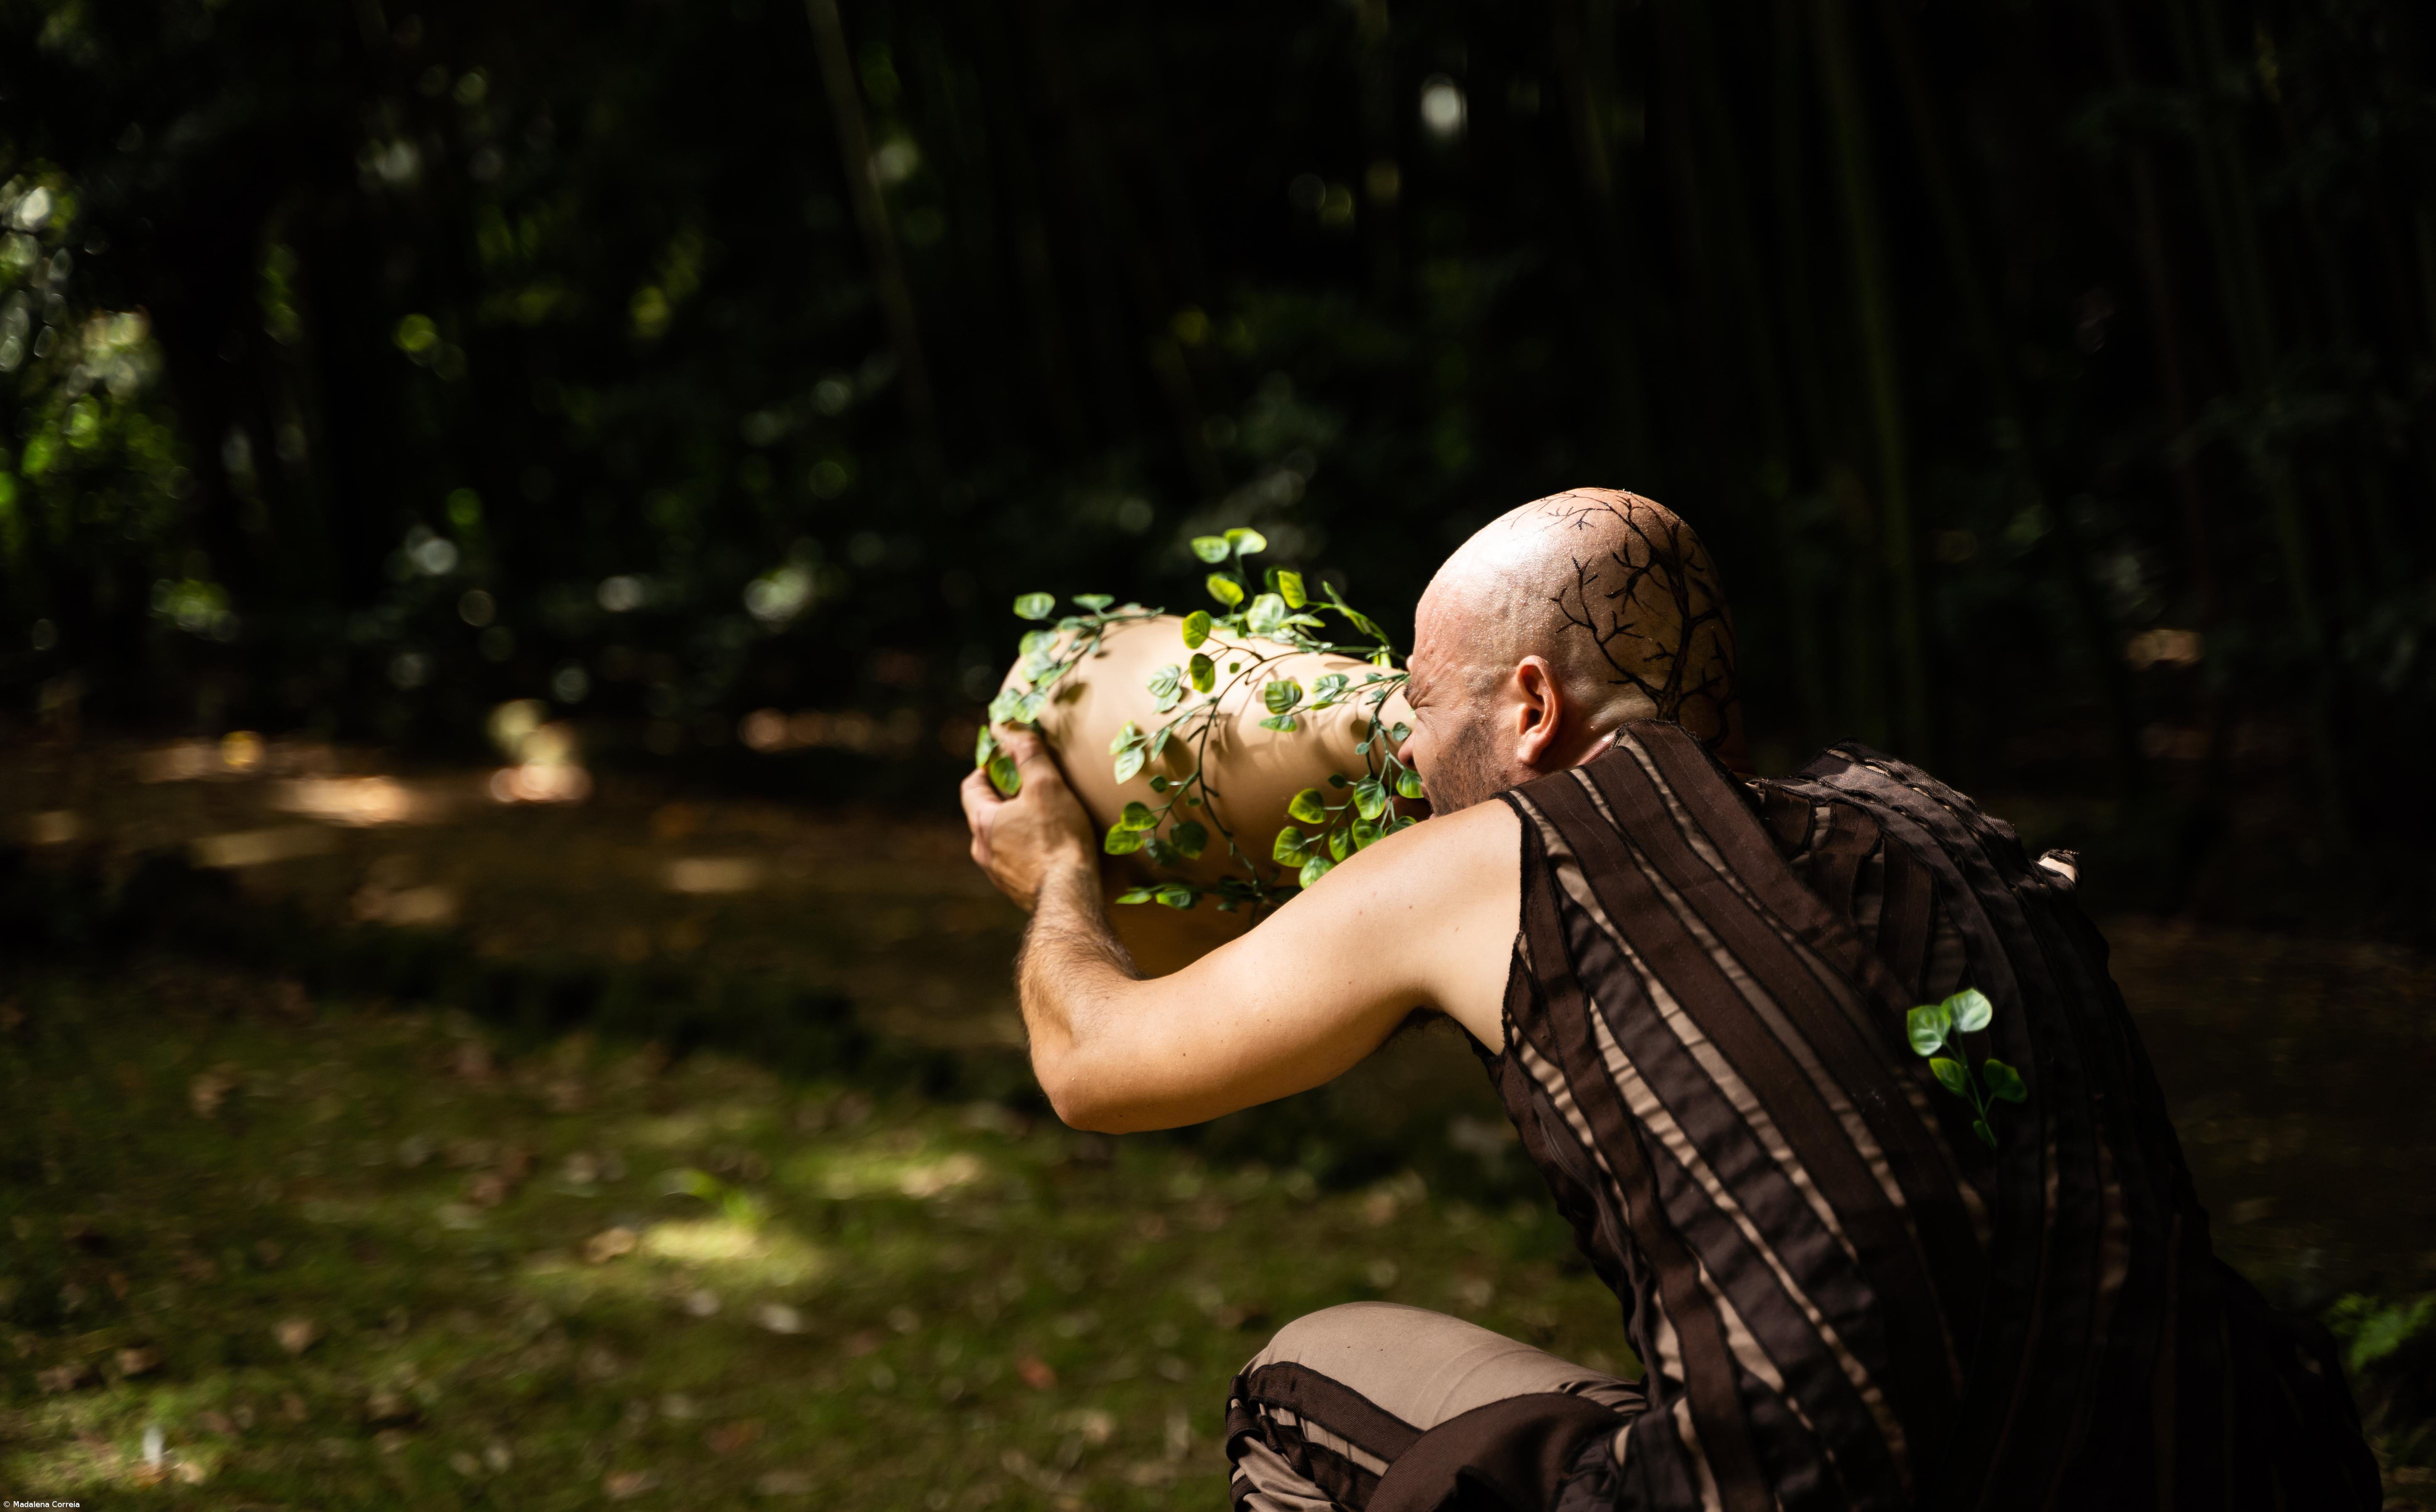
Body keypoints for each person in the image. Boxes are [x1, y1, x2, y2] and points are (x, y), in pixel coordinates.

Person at [959, 488, 2380, 1512]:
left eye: (1422, 706)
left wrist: (1058, 874)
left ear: (1526, 707)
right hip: (2234, 1465)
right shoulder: (1935, 826)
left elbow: (1097, 1060)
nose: (1406, 744)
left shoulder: (1501, 856)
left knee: (1302, 1386)